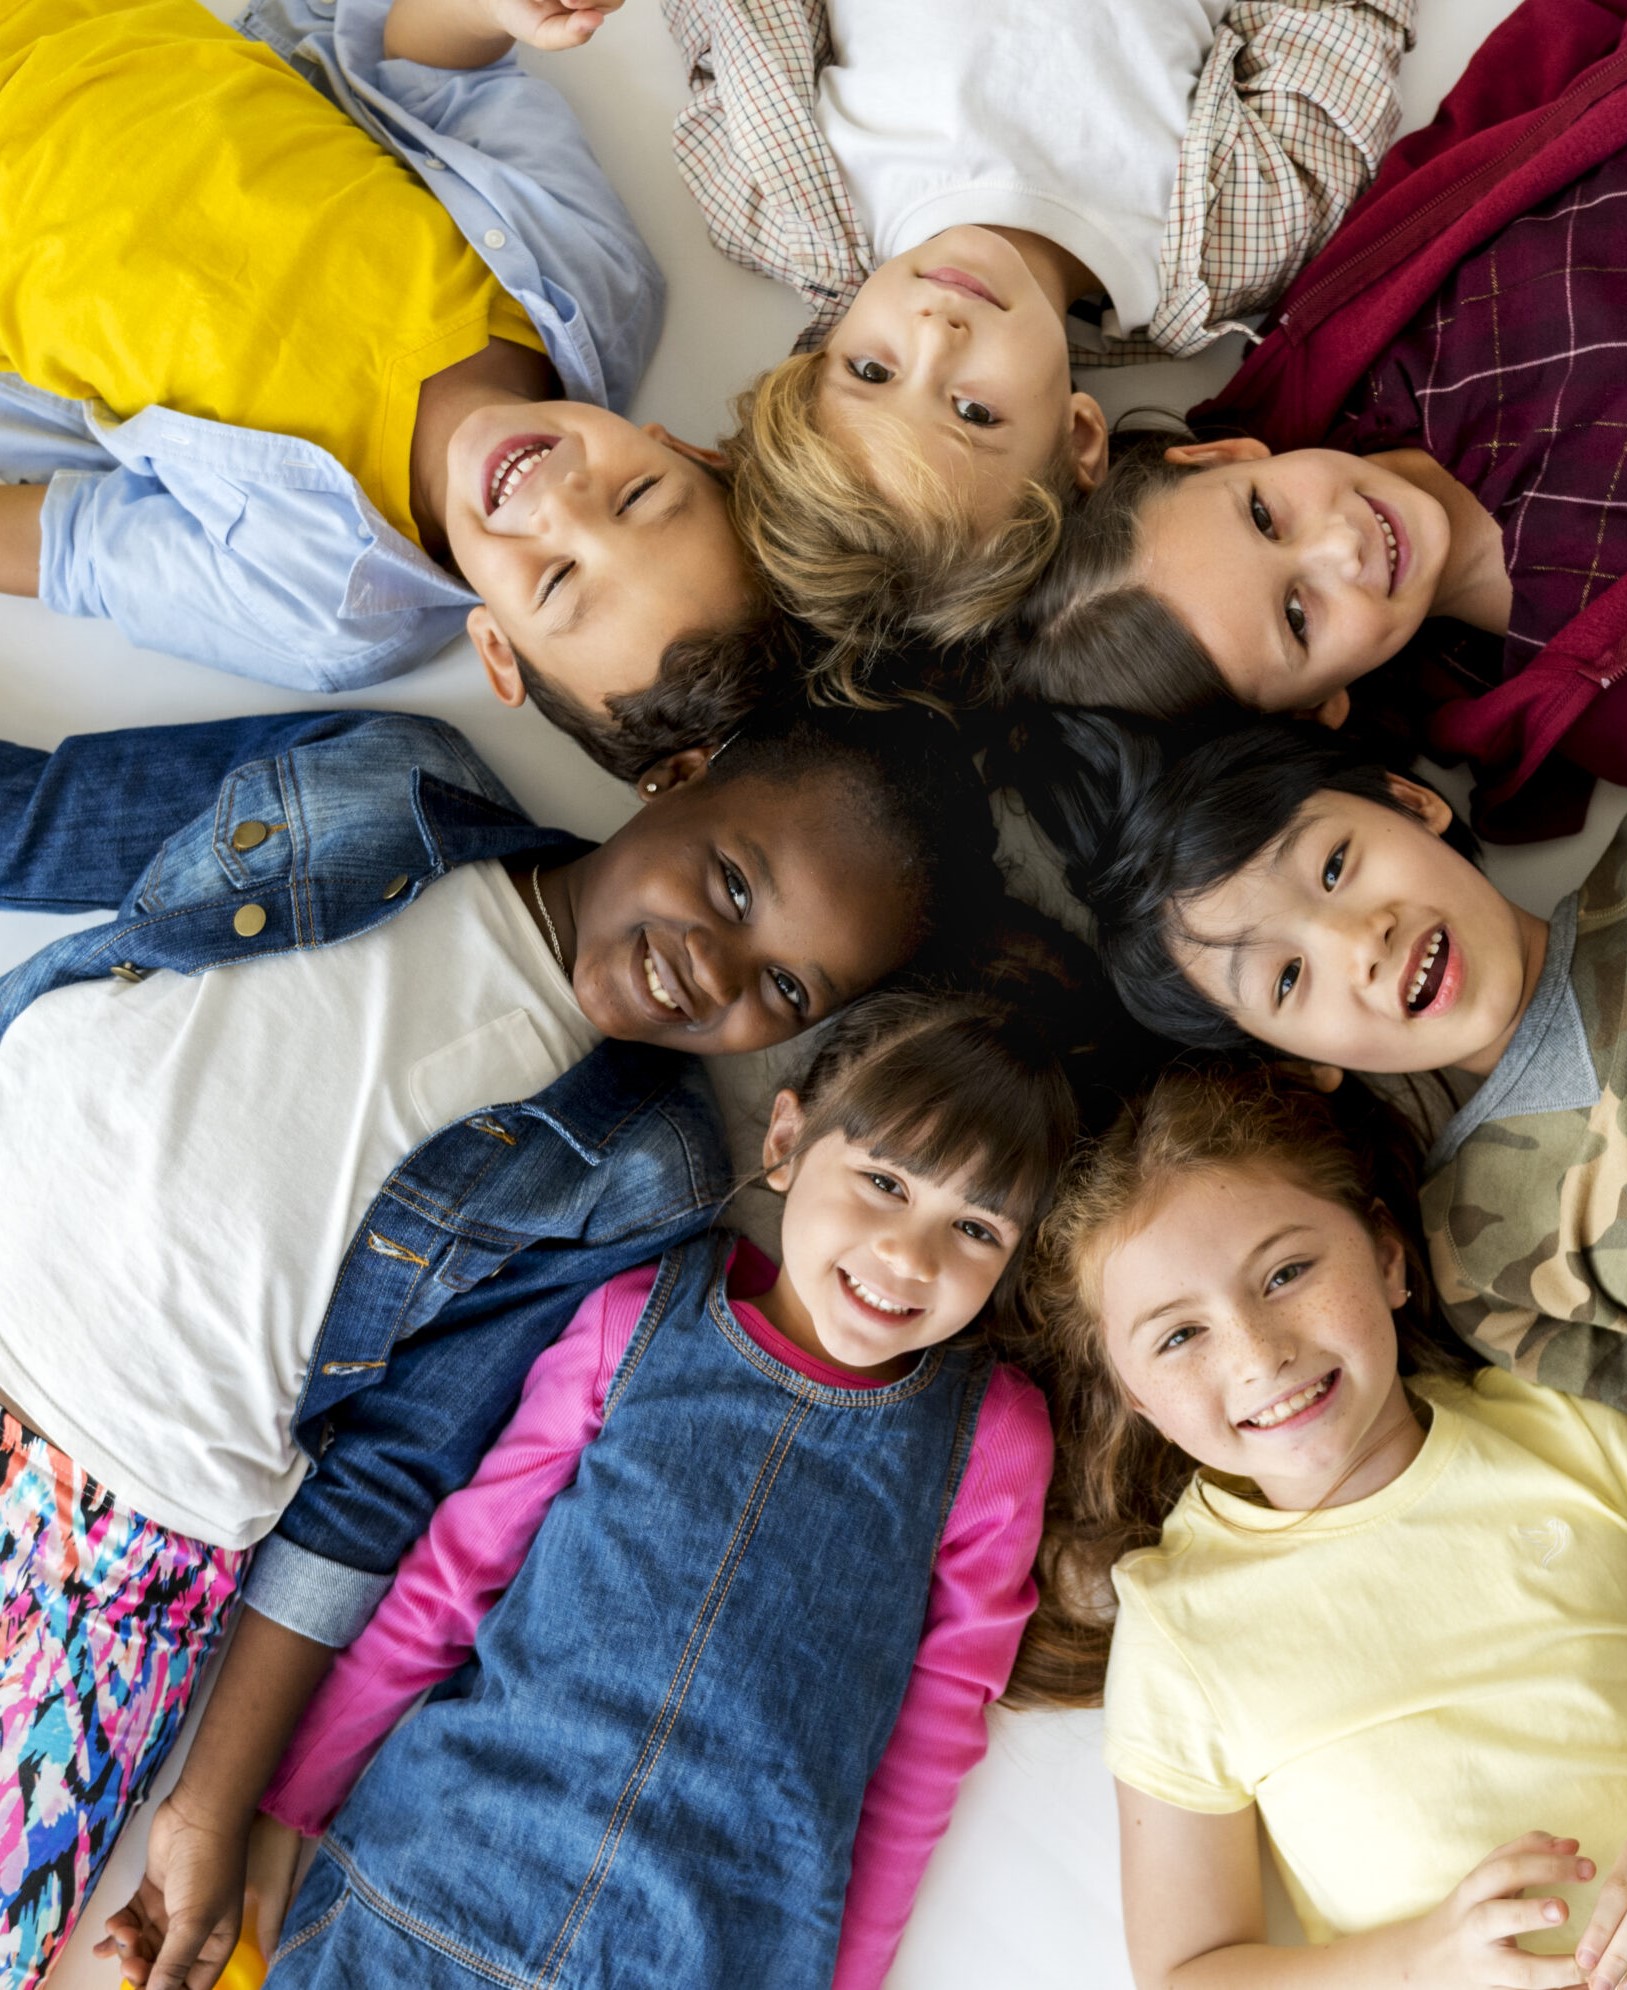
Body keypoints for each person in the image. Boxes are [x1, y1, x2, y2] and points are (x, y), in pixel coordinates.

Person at [0, 694, 1002, 1989]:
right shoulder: (387, 775)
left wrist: (210, 1803)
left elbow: (385, 1479)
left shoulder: (640, 1168)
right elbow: (45, 823)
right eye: (733, 883)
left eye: (785, 986)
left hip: (110, 1543)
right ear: (677, 773)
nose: (718, 969)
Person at [1006, 704, 1627, 1970]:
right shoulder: (1492, 1252)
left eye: (1334, 865)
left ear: (1412, 802)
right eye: (1288, 980)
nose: (1354, 941)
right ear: (1295, 1062)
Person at [163, 981, 1087, 1990]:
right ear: (785, 1141)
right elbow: (450, 1579)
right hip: (432, 1885)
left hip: (712, 1952)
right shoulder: (635, 1317)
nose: (909, 1255)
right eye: (884, 1182)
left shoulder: (990, 1441)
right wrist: (287, 1809)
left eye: (976, 1230)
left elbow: (928, 1747)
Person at [1002, 0, 1627, 838]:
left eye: (1265, 515)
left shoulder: (1362, 330)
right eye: (1298, 617)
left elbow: (1530, 79)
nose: (1339, 546)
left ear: (1224, 455)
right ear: (1318, 707)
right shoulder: (1621, 693)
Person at [1029, 1059, 1627, 1987]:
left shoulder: (1576, 1438)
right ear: (1137, 1398)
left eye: (1287, 1273)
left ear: (1387, 1257)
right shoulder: (1178, 1623)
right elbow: (1188, 1973)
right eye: (1180, 1336)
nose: (1259, 1355)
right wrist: (1418, 1963)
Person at [0, 0, 779, 774]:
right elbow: (432, 70)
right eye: (637, 496)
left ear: (497, 647)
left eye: (556, 580)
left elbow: (70, 549)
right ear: (682, 449)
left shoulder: (323, 611)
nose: (559, 501)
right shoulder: (598, 279)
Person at [663, 0, 1413, 681]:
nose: (936, 335)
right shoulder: (1234, 243)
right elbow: (1337, 27)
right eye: (974, 414)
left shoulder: (779, 202)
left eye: (871, 370)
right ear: (1079, 437)